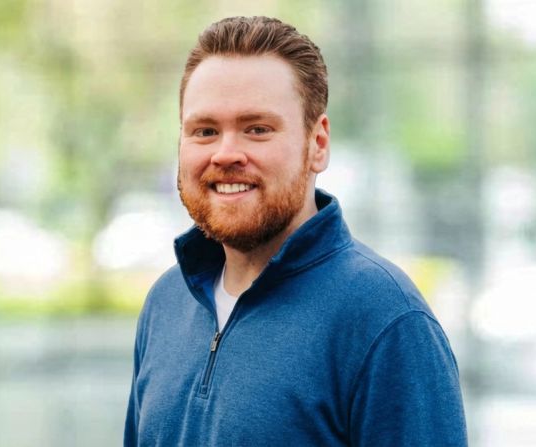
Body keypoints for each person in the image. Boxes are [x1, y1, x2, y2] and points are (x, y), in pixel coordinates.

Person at [124, 16, 467, 446]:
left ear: (317, 144)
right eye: (205, 131)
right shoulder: (166, 303)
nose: (226, 153)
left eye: (257, 129)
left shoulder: (386, 320)